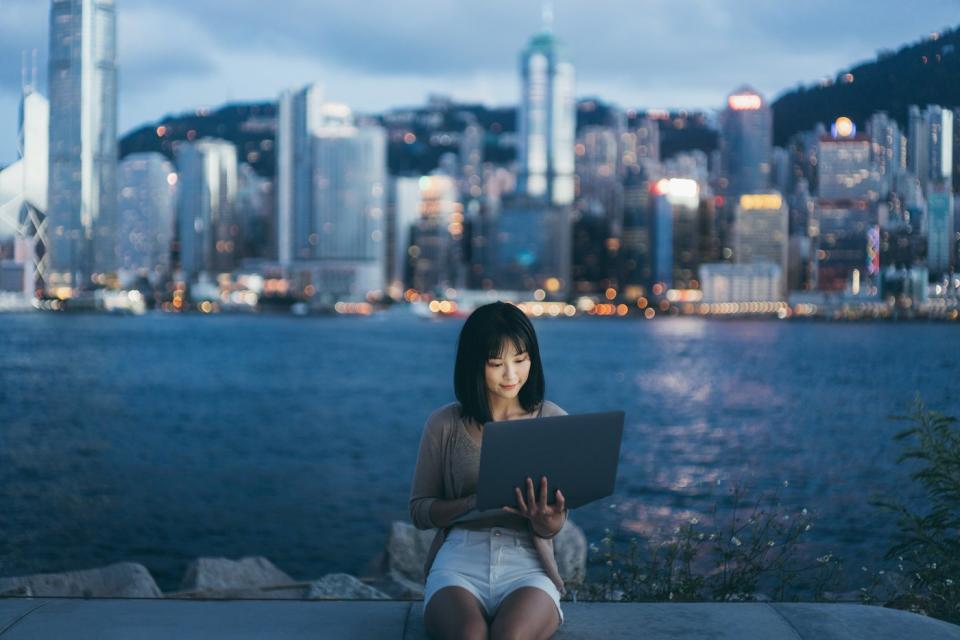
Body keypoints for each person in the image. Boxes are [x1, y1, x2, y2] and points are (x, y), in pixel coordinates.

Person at [410, 301, 569, 640]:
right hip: (458, 560)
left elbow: (554, 525)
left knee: (510, 637)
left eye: (521, 360)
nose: (511, 375)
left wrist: (544, 516)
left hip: (528, 561)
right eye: (496, 364)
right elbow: (420, 511)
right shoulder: (444, 424)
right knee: (470, 636)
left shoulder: (552, 421)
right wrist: (473, 502)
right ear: (473, 365)